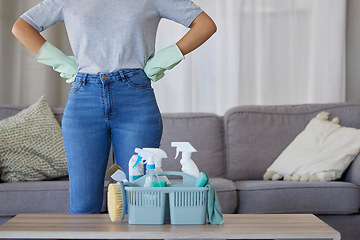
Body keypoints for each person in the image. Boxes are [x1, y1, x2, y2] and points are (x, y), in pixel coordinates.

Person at [12, 0, 216, 214]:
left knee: (140, 203)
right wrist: (62, 62)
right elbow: (22, 26)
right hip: (84, 99)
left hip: (135, 97)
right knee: (84, 205)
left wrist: (165, 59)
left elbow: (204, 24)